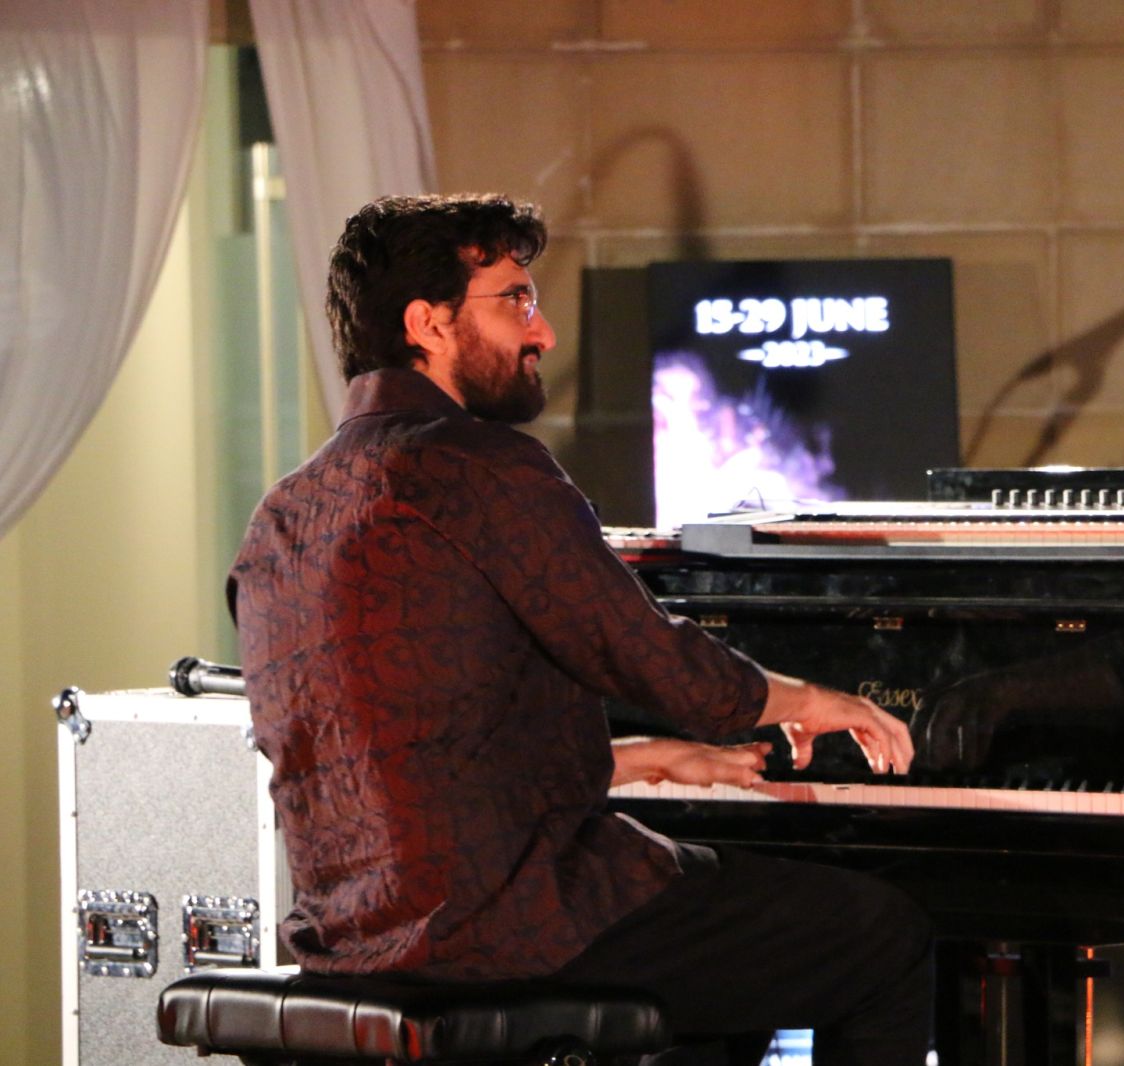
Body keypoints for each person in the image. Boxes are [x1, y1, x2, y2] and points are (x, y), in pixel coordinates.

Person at [227, 193, 933, 1065]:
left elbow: (415, 761)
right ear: (427, 323)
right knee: (882, 935)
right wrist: (812, 701)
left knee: (726, 978)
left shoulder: (281, 519)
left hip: (351, 940)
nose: (544, 331)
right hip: (510, 930)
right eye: (515, 300)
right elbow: (658, 662)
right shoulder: (481, 468)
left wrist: (643, 758)